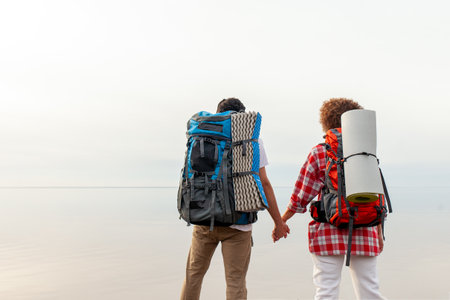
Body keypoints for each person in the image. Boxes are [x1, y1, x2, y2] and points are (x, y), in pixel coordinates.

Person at [180, 98, 290, 300]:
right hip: (238, 225)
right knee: (235, 281)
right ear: (242, 116)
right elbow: (264, 183)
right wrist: (278, 222)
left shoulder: (203, 134)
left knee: (193, 276)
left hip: (204, 219)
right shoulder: (250, 138)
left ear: (218, 113)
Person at [280, 98, 386, 300]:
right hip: (365, 228)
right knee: (370, 292)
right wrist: (379, 233)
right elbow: (376, 195)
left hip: (328, 230)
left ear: (326, 121)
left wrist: (282, 220)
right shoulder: (366, 153)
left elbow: (301, 195)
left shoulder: (320, 152)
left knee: (326, 291)